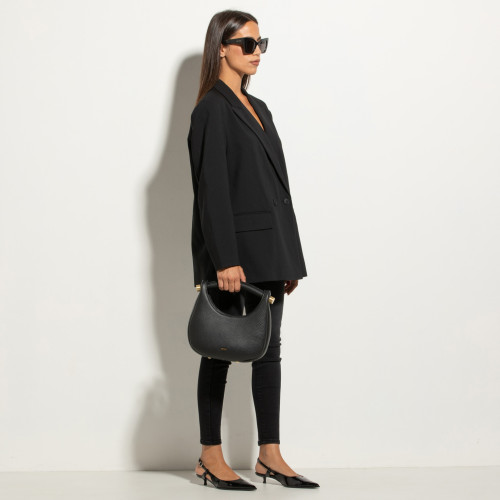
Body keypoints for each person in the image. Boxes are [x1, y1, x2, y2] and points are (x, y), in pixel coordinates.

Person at [187, 9, 319, 490]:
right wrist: (224, 259)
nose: (257, 52)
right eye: (247, 44)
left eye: (261, 43)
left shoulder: (259, 107)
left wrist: (289, 255)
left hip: (269, 249)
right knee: (219, 351)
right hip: (235, 257)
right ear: (221, 48)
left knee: (269, 351)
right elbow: (212, 191)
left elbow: (275, 186)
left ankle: (270, 455)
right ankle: (209, 456)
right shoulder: (211, 109)